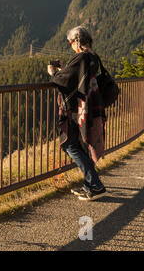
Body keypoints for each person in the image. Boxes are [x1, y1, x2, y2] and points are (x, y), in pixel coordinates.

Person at [47, 26, 107, 201]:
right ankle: (90, 186)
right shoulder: (93, 57)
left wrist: (53, 73)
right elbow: (78, 77)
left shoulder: (81, 57)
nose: (71, 45)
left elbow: (63, 81)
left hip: (78, 110)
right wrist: (64, 69)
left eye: (71, 42)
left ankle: (96, 185)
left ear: (78, 41)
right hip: (90, 107)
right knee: (81, 145)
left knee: (70, 145)